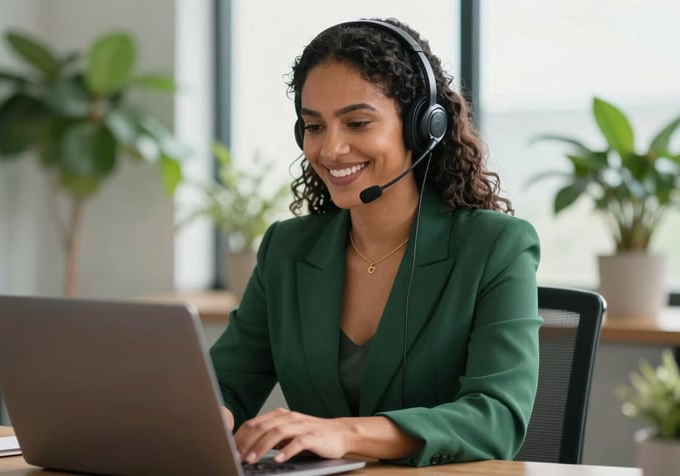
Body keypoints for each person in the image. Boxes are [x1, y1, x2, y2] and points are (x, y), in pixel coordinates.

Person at [209, 18, 541, 467]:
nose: (330, 150)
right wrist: (207, 415)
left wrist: (344, 434)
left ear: (423, 126)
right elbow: (225, 382)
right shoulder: (287, 250)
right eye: (314, 127)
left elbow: (496, 417)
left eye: (358, 123)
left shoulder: (496, 247)